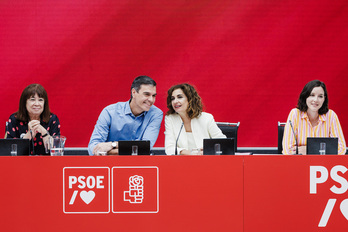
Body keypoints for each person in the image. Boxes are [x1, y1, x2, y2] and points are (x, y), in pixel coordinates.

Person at [88, 75, 163, 156]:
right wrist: (132, 150)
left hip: (139, 165)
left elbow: (145, 148)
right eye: (146, 94)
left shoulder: (156, 114)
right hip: (109, 165)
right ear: (133, 92)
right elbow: (93, 148)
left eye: (154, 95)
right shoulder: (109, 112)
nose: (151, 100)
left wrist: (112, 145)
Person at [282, 80, 346, 155]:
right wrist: (322, 150)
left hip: (324, 164)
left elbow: (341, 149)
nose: (315, 100)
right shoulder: (295, 114)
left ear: (324, 99)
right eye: (312, 95)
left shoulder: (331, 116)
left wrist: (308, 150)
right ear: (305, 96)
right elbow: (287, 150)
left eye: (320, 96)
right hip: (299, 164)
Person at [164, 83, 226, 155]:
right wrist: (191, 153)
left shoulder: (207, 118)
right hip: (182, 162)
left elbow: (222, 143)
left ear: (190, 99)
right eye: (173, 98)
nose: (175, 101)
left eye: (180, 97)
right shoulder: (170, 119)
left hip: (206, 161)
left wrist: (207, 150)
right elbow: (169, 149)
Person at [6, 84, 61, 155]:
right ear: (24, 102)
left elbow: (56, 150)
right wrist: (29, 134)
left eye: (40, 100)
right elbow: (10, 151)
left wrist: (44, 132)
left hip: (46, 163)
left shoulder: (52, 119)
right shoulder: (14, 119)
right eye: (32, 100)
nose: (37, 104)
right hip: (21, 163)